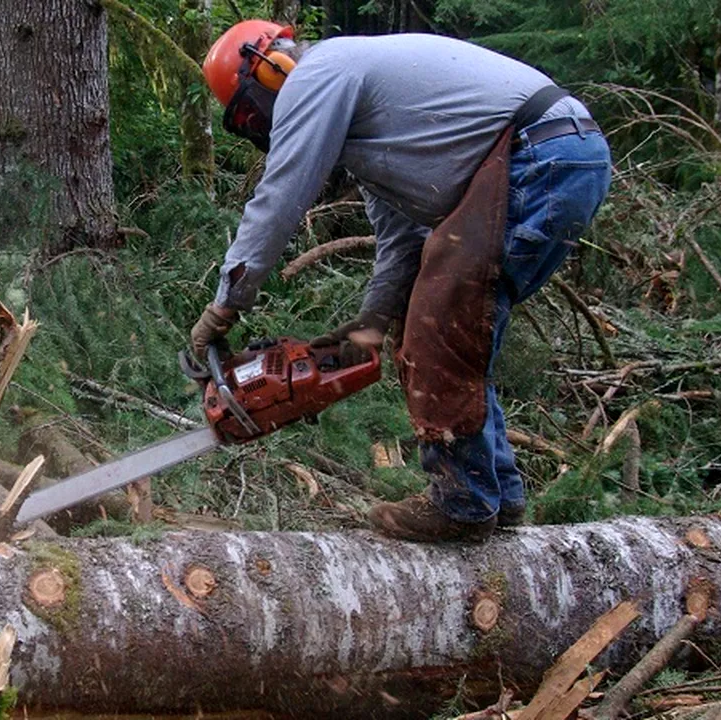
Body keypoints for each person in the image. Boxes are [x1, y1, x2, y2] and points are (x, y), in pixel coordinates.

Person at [189, 20, 613, 542]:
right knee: (461, 328)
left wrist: (225, 305)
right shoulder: (373, 128)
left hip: (534, 157)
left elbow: (280, 197)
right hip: (560, 155)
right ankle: (498, 494)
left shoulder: (317, 74)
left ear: (271, 69)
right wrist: (371, 323)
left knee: (441, 325)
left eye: (254, 112)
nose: (263, 125)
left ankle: (463, 502)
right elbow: (402, 239)